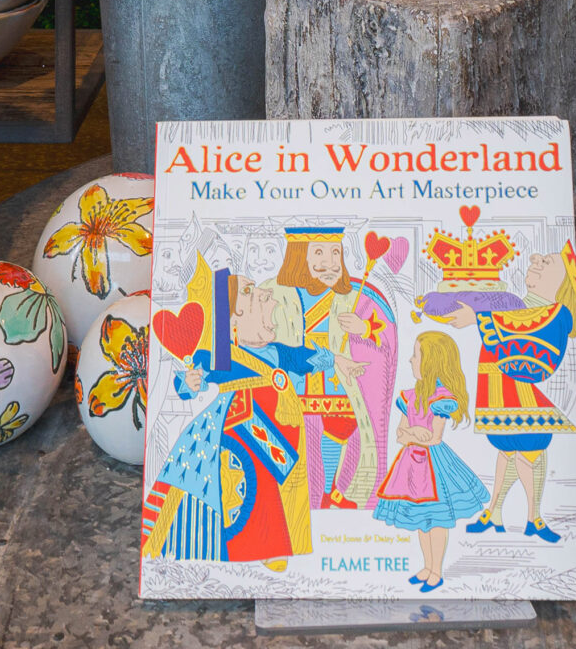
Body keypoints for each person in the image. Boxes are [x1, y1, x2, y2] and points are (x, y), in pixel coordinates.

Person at [140, 275, 332, 569]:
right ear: (234, 316)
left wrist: (338, 359)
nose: (265, 298)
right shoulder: (220, 353)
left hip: (281, 427)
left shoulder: (278, 351)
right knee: (257, 484)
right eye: (251, 293)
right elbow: (189, 383)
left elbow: (312, 358)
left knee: (283, 484)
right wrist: (190, 382)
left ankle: (278, 545)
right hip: (241, 423)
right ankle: (260, 547)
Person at [276, 224, 399, 512]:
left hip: (336, 382)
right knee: (292, 439)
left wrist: (364, 327)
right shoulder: (277, 294)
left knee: (341, 428)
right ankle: (292, 497)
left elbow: (384, 333)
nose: (330, 263)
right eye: (318, 252)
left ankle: (330, 491)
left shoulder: (355, 295)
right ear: (297, 257)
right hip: (295, 381)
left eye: (336, 253)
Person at [464, 241, 576, 543]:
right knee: (507, 450)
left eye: (549, 262)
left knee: (529, 450)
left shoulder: (557, 314)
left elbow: (536, 359)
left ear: (564, 282)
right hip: (495, 393)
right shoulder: (515, 305)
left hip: (519, 396)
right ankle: (496, 512)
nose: (536, 258)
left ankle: (534, 518)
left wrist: (479, 318)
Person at [369, 332, 486, 593]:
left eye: (416, 356)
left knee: (438, 520)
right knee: (422, 520)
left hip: (434, 467)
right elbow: (400, 434)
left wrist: (413, 435)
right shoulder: (409, 396)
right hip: (410, 464)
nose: (411, 360)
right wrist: (411, 434)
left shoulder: (441, 399)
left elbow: (433, 438)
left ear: (431, 362)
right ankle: (427, 566)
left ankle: (437, 570)